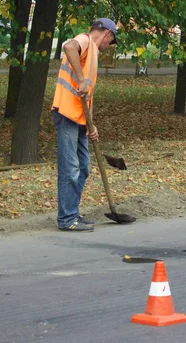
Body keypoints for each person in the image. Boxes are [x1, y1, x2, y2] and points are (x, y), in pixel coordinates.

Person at [51, 18, 118, 231]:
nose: (109, 47)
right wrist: (81, 79)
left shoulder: (93, 55)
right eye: (111, 41)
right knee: (71, 168)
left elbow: (88, 94)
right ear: (107, 34)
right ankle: (67, 219)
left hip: (80, 118)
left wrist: (92, 126)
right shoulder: (86, 40)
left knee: (84, 168)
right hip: (67, 114)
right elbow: (69, 46)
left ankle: (73, 213)